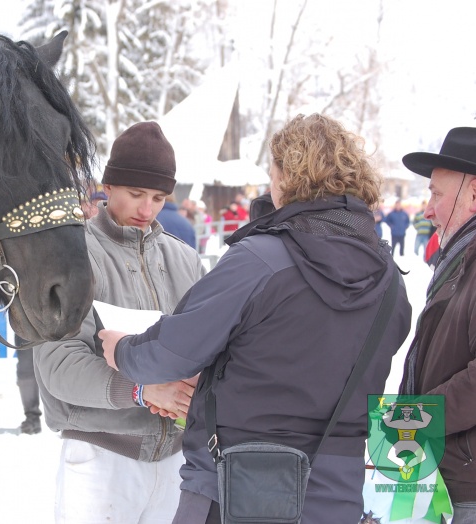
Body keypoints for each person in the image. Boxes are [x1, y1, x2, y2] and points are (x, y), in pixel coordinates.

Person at [99, 113, 412, 523]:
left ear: (290, 176)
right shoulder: (390, 281)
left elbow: (171, 352)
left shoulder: (261, 260)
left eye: (273, 173)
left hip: (236, 486)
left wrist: (121, 349)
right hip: (336, 495)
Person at [33, 121, 205, 523]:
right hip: (101, 456)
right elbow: (57, 364)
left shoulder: (185, 259)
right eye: (136, 194)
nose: (147, 209)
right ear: (107, 187)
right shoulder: (71, 254)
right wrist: (141, 390)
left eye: (160, 197)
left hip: (178, 461)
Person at [399, 126, 476, 523]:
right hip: (445, 479)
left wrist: (414, 421)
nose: (427, 210)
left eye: (436, 194)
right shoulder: (460, 260)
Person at [15, 334, 42, 434]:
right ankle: (32, 418)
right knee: (25, 370)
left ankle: (68, 419)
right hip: (24, 325)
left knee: (59, 367)